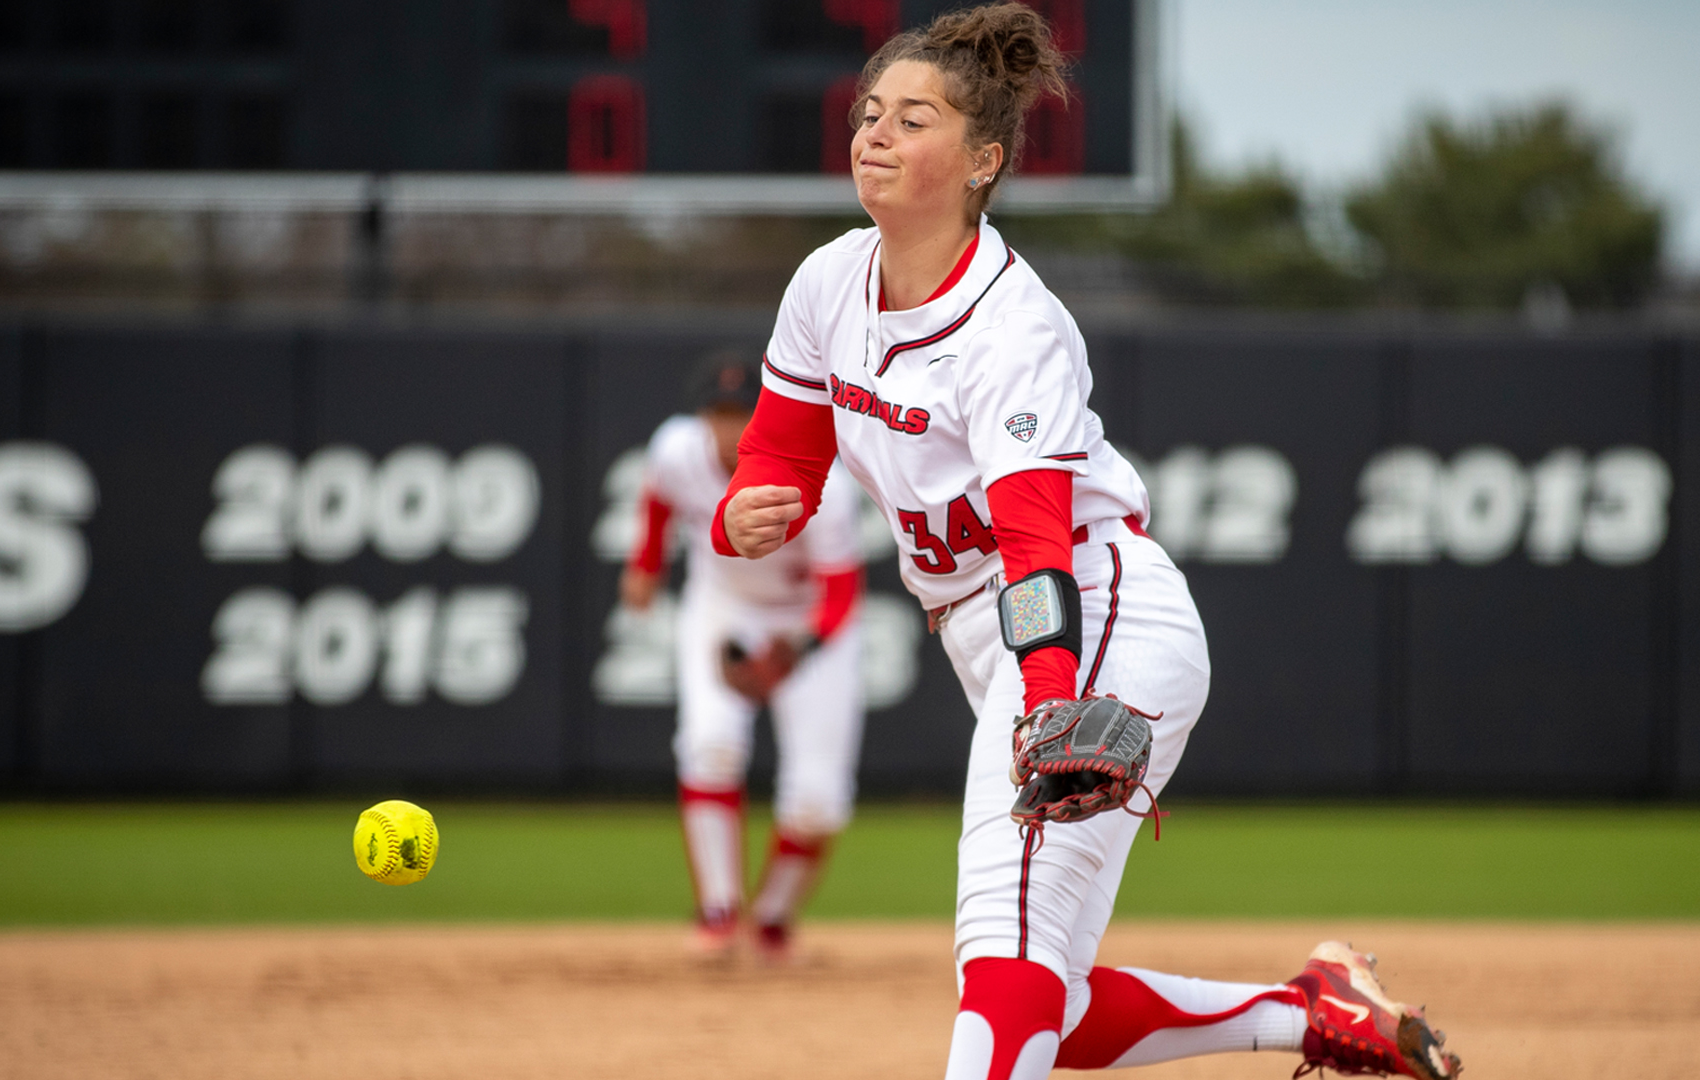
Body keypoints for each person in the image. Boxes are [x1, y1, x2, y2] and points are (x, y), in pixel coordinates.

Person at [710, 6, 1462, 1078]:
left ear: (983, 161)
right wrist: (740, 510)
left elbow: (1033, 537)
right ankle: (1314, 1013)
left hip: (1090, 620)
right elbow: (778, 458)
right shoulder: (829, 282)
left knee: (1001, 960)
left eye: (910, 119)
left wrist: (1053, 694)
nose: (872, 133)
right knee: (1045, 1003)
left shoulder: (1011, 327)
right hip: (998, 642)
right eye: (868, 113)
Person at [622, 352, 866, 961]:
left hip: (808, 621)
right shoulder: (676, 450)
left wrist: (798, 650)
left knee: (816, 800)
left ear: (767, 414)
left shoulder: (819, 477)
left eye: (742, 413)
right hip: (723, 606)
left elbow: (840, 590)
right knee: (711, 746)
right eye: (719, 413)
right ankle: (718, 915)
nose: (730, 428)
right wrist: (646, 566)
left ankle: (774, 922)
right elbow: (658, 503)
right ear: (702, 416)